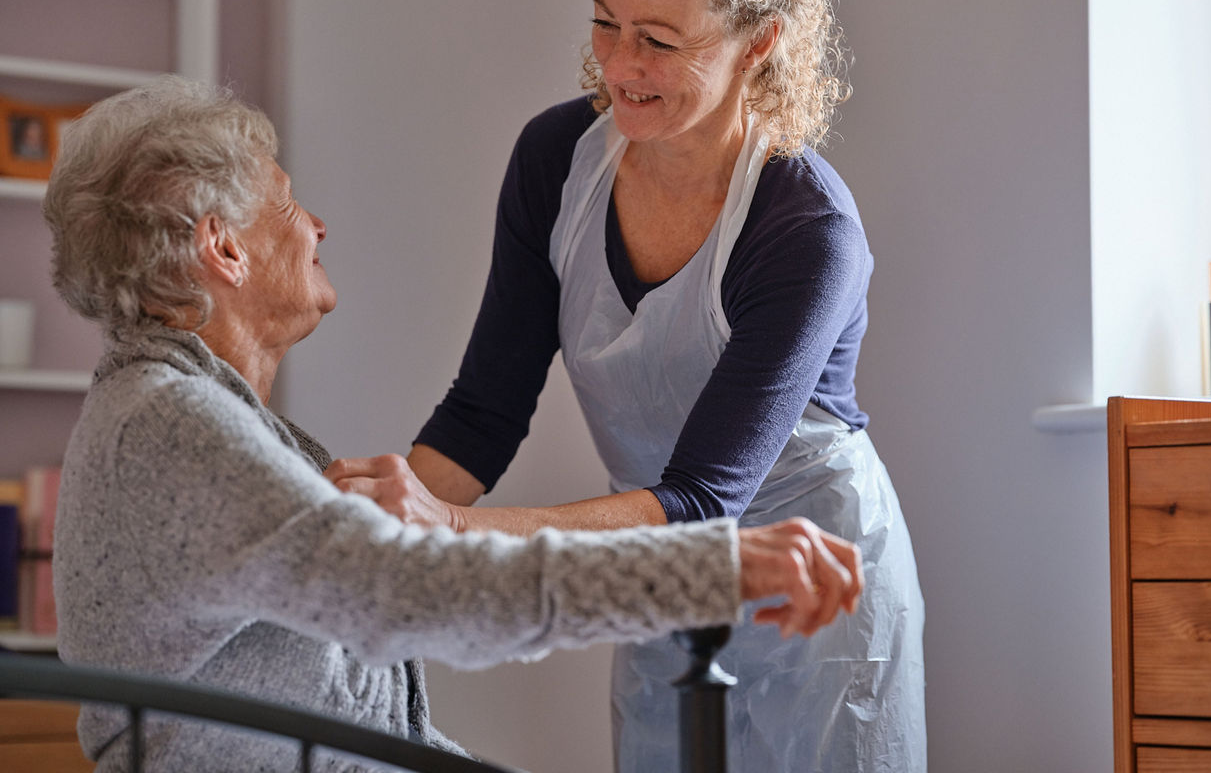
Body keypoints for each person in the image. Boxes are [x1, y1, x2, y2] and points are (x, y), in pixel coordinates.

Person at [43, 77, 864, 773]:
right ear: (223, 249)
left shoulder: (197, 417)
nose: (315, 226)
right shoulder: (173, 426)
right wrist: (705, 568)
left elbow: (373, 698)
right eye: (287, 205)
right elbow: (420, 591)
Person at [327, 0, 925, 773]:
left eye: (659, 39)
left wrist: (446, 533)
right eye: (606, 25)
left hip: (817, 597)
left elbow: (699, 499)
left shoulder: (804, 225)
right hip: (656, 574)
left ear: (757, 42)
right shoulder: (555, 161)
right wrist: (367, 546)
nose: (620, 66)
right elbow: (484, 415)